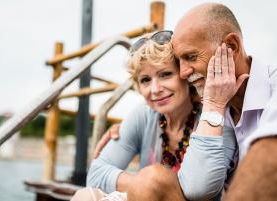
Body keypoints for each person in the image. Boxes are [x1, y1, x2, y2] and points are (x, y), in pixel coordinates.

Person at [123, 2, 277, 201]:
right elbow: (195, 187)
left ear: (231, 47)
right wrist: (213, 106)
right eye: (179, 61)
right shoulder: (213, 104)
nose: (183, 72)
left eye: (191, 57)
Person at [71, 30, 239, 201]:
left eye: (165, 74)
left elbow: (200, 189)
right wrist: (146, 187)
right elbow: (96, 174)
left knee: (152, 177)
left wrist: (151, 185)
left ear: (185, 75)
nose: (155, 89)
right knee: (84, 196)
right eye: (145, 80)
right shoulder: (143, 116)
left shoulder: (214, 118)